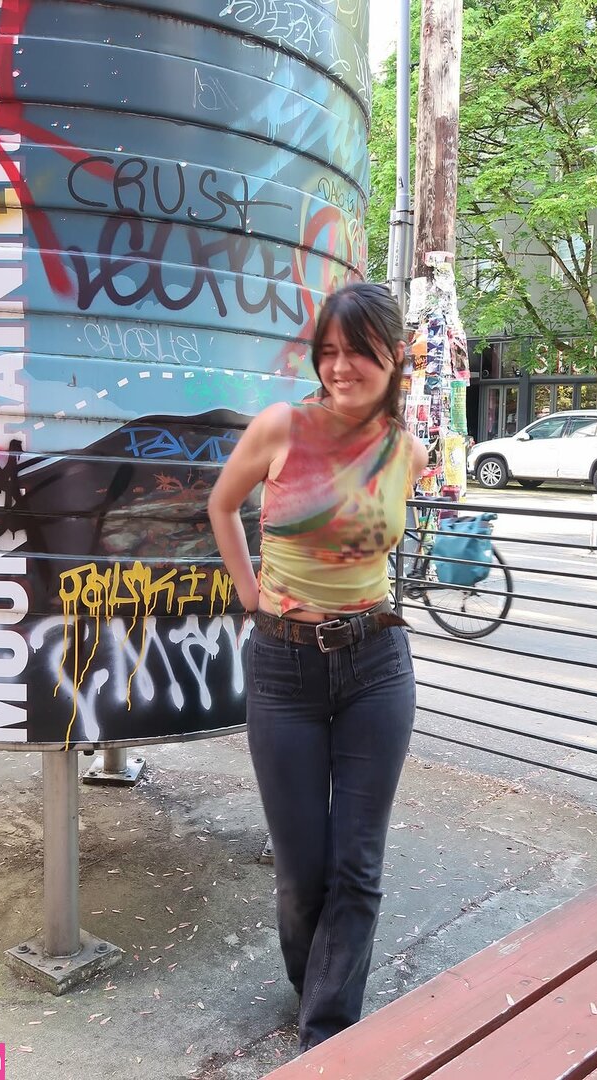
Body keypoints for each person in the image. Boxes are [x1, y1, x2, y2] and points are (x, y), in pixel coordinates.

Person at [207, 281, 428, 1052]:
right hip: (285, 669)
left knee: (357, 865)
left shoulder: (407, 452)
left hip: (376, 665)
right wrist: (250, 596)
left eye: (356, 351)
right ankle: (316, 988)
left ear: (393, 357)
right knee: (302, 873)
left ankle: (327, 1037)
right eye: (327, 351)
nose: (338, 367)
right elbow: (222, 505)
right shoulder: (281, 427)